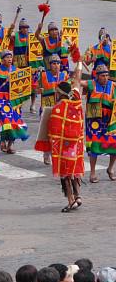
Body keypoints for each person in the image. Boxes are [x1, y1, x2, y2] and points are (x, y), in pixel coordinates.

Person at [48, 68, 85, 213]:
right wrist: (79, 62)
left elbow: (53, 132)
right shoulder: (76, 99)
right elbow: (77, 80)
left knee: (65, 174)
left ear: (58, 93)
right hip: (77, 145)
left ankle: (70, 200)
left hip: (64, 148)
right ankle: (78, 196)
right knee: (75, 171)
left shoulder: (57, 108)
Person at [81, 63, 116, 183]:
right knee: (94, 147)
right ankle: (92, 172)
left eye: (107, 75)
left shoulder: (113, 85)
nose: (105, 78)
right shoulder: (91, 84)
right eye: (103, 76)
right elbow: (76, 82)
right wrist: (79, 66)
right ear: (97, 76)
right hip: (94, 121)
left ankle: (110, 168)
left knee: (114, 145)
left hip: (109, 120)